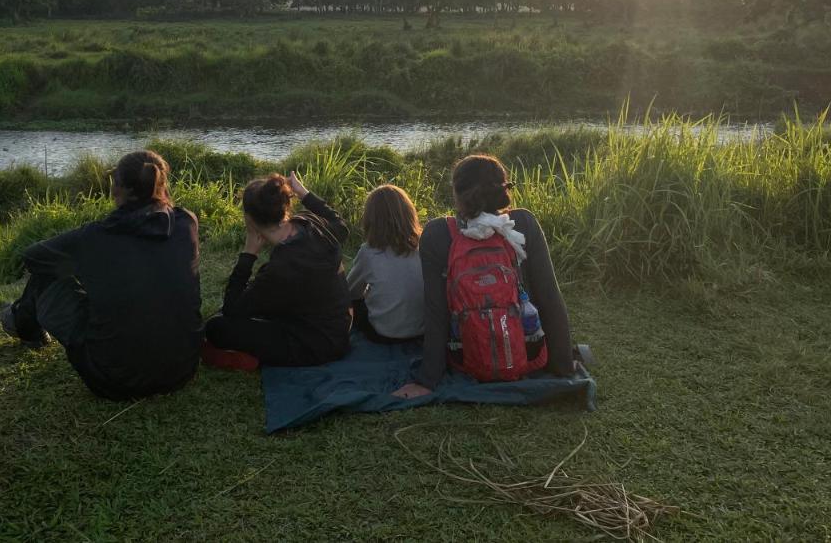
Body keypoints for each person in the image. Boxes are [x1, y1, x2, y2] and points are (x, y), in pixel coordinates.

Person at [0, 150, 202, 400]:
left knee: (43, 276)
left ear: (118, 188)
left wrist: (78, 269)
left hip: (112, 380)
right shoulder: (187, 223)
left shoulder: (95, 237)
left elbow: (32, 257)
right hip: (181, 370)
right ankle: (22, 321)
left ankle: (24, 325)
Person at [391, 154, 576, 399]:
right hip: (529, 354)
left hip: (465, 358)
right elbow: (549, 297)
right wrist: (563, 366)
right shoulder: (522, 222)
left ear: (456, 193)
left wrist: (426, 381)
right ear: (503, 189)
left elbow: (436, 311)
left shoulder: (437, 234)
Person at [204, 171, 351, 366]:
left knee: (217, 327)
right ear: (285, 207)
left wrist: (248, 253)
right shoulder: (310, 223)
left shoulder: (280, 269)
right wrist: (304, 193)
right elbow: (340, 225)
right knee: (250, 307)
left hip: (317, 345)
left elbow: (233, 308)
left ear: (249, 218)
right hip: (340, 326)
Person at [346, 184, 425, 343]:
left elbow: (350, 292)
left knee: (353, 303)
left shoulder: (368, 252)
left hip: (383, 334)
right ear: (409, 214)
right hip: (423, 331)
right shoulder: (424, 246)